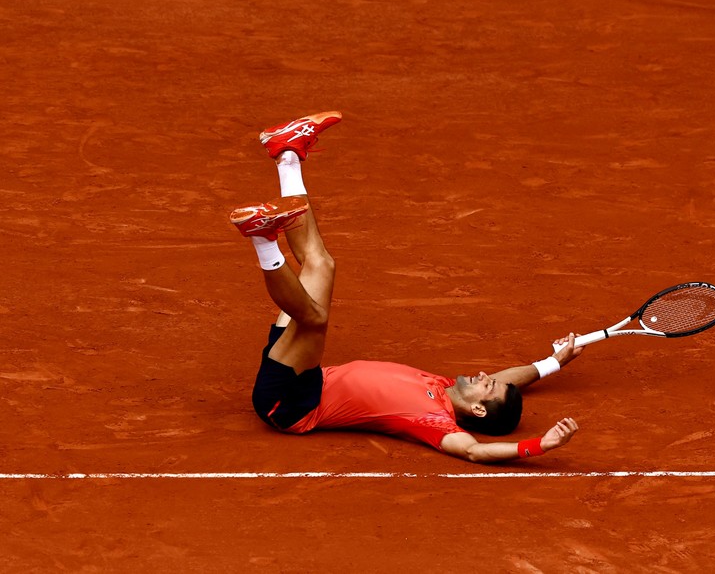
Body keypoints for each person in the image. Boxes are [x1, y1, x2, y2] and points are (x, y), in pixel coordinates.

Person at [230, 111, 584, 464]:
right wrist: (552, 362)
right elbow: (510, 379)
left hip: (292, 402)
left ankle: (263, 239)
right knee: (321, 263)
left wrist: (541, 445)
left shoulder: (436, 422)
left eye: (487, 385)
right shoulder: (445, 384)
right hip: (302, 373)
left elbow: (476, 451)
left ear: (478, 409)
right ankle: (287, 153)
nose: (484, 375)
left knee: (314, 320)